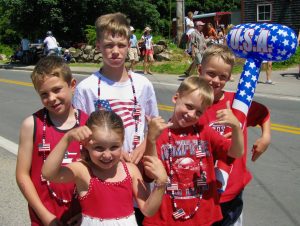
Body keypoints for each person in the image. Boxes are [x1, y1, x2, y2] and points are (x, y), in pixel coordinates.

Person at [72, 12, 159, 225]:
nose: (115, 51)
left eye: (121, 45)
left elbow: (154, 125)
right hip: (105, 173)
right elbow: (81, 136)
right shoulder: (87, 88)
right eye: (109, 45)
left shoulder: (143, 85)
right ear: (99, 45)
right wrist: (113, 154)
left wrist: (146, 143)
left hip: (138, 171)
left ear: (129, 44)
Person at [143, 76, 244, 226]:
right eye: (189, 106)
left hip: (202, 216)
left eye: (198, 112)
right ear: (176, 98)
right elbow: (150, 174)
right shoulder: (160, 134)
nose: (191, 114)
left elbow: (236, 153)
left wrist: (236, 128)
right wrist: (151, 140)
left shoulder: (205, 132)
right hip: (166, 218)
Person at [42, 110, 168, 226]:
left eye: (114, 147)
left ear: (122, 141)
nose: (107, 155)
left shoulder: (131, 170)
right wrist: (67, 139)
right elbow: (48, 173)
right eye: (99, 148)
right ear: (86, 145)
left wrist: (161, 183)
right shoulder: (83, 171)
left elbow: (147, 210)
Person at [198, 44, 271, 226]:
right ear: (200, 70)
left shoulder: (237, 102)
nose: (216, 80)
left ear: (229, 78)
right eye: (211, 73)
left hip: (232, 191)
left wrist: (266, 137)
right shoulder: (192, 105)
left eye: (223, 77)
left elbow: (263, 114)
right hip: (203, 190)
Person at [16, 56, 89, 225]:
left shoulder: (89, 124)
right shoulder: (31, 125)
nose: (52, 98)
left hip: (82, 217)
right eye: (44, 94)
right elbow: (22, 175)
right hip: (44, 218)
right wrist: (46, 217)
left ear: (72, 85)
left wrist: (88, 212)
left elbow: (98, 175)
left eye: (57, 90)